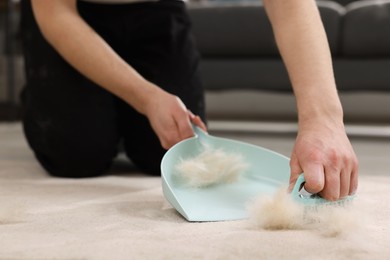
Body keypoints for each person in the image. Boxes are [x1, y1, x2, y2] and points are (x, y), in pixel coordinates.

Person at [20, 0, 358, 202]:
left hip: (157, 11)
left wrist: (324, 120)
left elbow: (288, 5)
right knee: (78, 155)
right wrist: (146, 96)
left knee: (168, 154)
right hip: (70, 12)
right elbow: (55, 12)